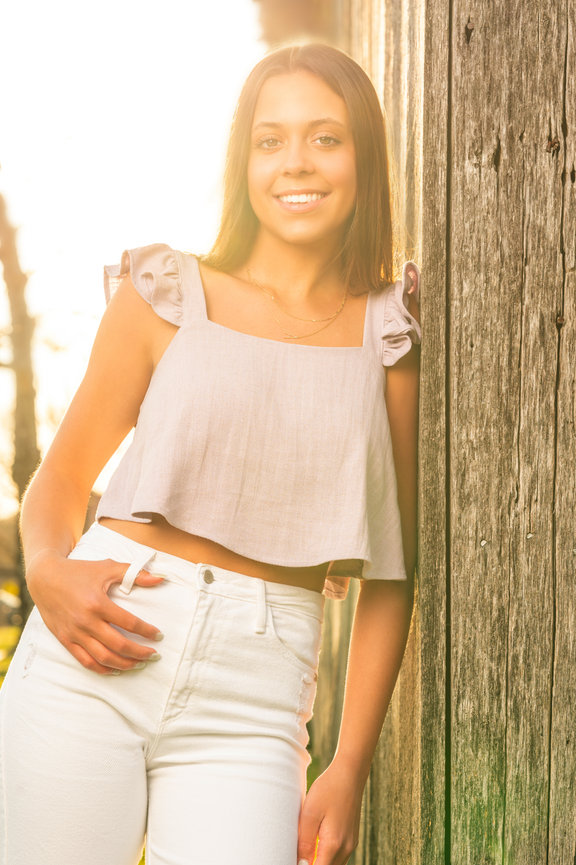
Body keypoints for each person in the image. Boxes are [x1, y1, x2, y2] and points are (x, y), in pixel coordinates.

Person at [0, 41, 421, 865]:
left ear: (364, 155)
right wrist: (47, 569)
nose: (295, 162)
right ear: (243, 161)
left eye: (325, 137)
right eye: (271, 140)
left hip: (255, 700)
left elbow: (392, 577)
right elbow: (63, 478)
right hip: (101, 645)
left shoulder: (389, 333)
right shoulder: (165, 294)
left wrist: (348, 763)